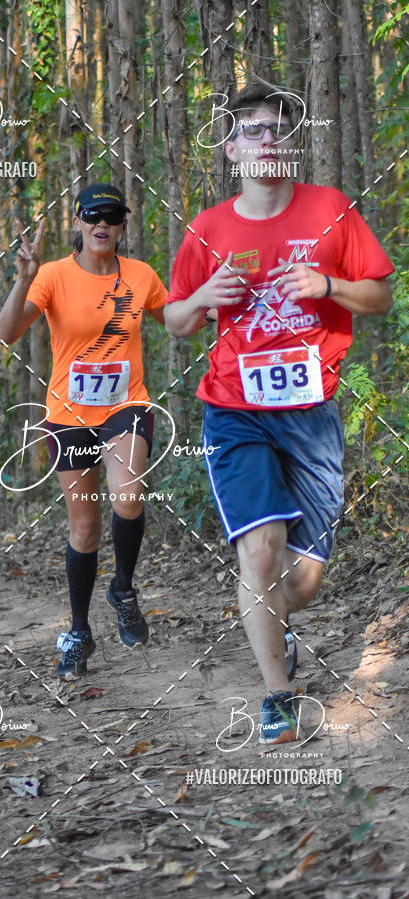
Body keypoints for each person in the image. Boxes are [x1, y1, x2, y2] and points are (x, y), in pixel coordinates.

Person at [164, 85, 394, 744]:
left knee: (303, 579)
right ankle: (277, 697)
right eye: (255, 132)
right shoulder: (208, 229)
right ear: (232, 148)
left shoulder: (329, 210)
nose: (269, 141)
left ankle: (273, 621)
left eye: (279, 131)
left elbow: (378, 294)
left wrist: (328, 285)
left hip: (311, 412)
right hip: (234, 410)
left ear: (290, 145)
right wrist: (204, 295)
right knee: (259, 555)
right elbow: (176, 320)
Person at [0, 182, 167, 680]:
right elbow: (7, 333)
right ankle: (79, 631)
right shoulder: (51, 275)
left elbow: (179, 319)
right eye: (92, 216)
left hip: (127, 405)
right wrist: (22, 278)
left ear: (122, 226)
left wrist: (230, 298)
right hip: (68, 415)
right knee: (85, 528)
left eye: (112, 217)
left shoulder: (141, 275)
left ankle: (124, 589)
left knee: (129, 496)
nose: (102, 224)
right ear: (77, 223)